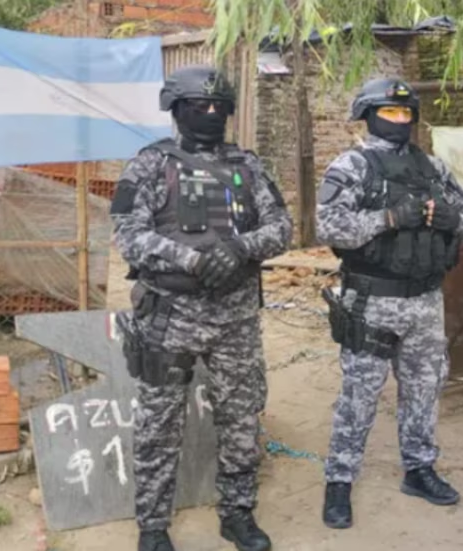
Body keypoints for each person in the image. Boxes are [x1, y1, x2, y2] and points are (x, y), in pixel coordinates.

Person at [109, 65, 293, 551]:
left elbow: (281, 228)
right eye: (198, 106)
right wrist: (192, 259)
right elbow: (129, 235)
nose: (210, 113)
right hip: (171, 317)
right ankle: (153, 526)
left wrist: (240, 248)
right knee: (159, 423)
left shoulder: (248, 166)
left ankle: (238, 513)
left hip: (236, 318)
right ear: (177, 110)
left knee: (241, 418)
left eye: (218, 106)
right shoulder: (151, 165)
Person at [315, 78, 463, 529]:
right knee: (359, 395)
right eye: (390, 112)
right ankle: (339, 479)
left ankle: (419, 468)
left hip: (425, 302)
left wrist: (452, 218)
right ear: (369, 116)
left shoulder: (433, 168)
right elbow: (328, 227)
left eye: (406, 113)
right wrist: (388, 217)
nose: (400, 120)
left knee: (425, 389)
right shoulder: (352, 166)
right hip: (372, 301)